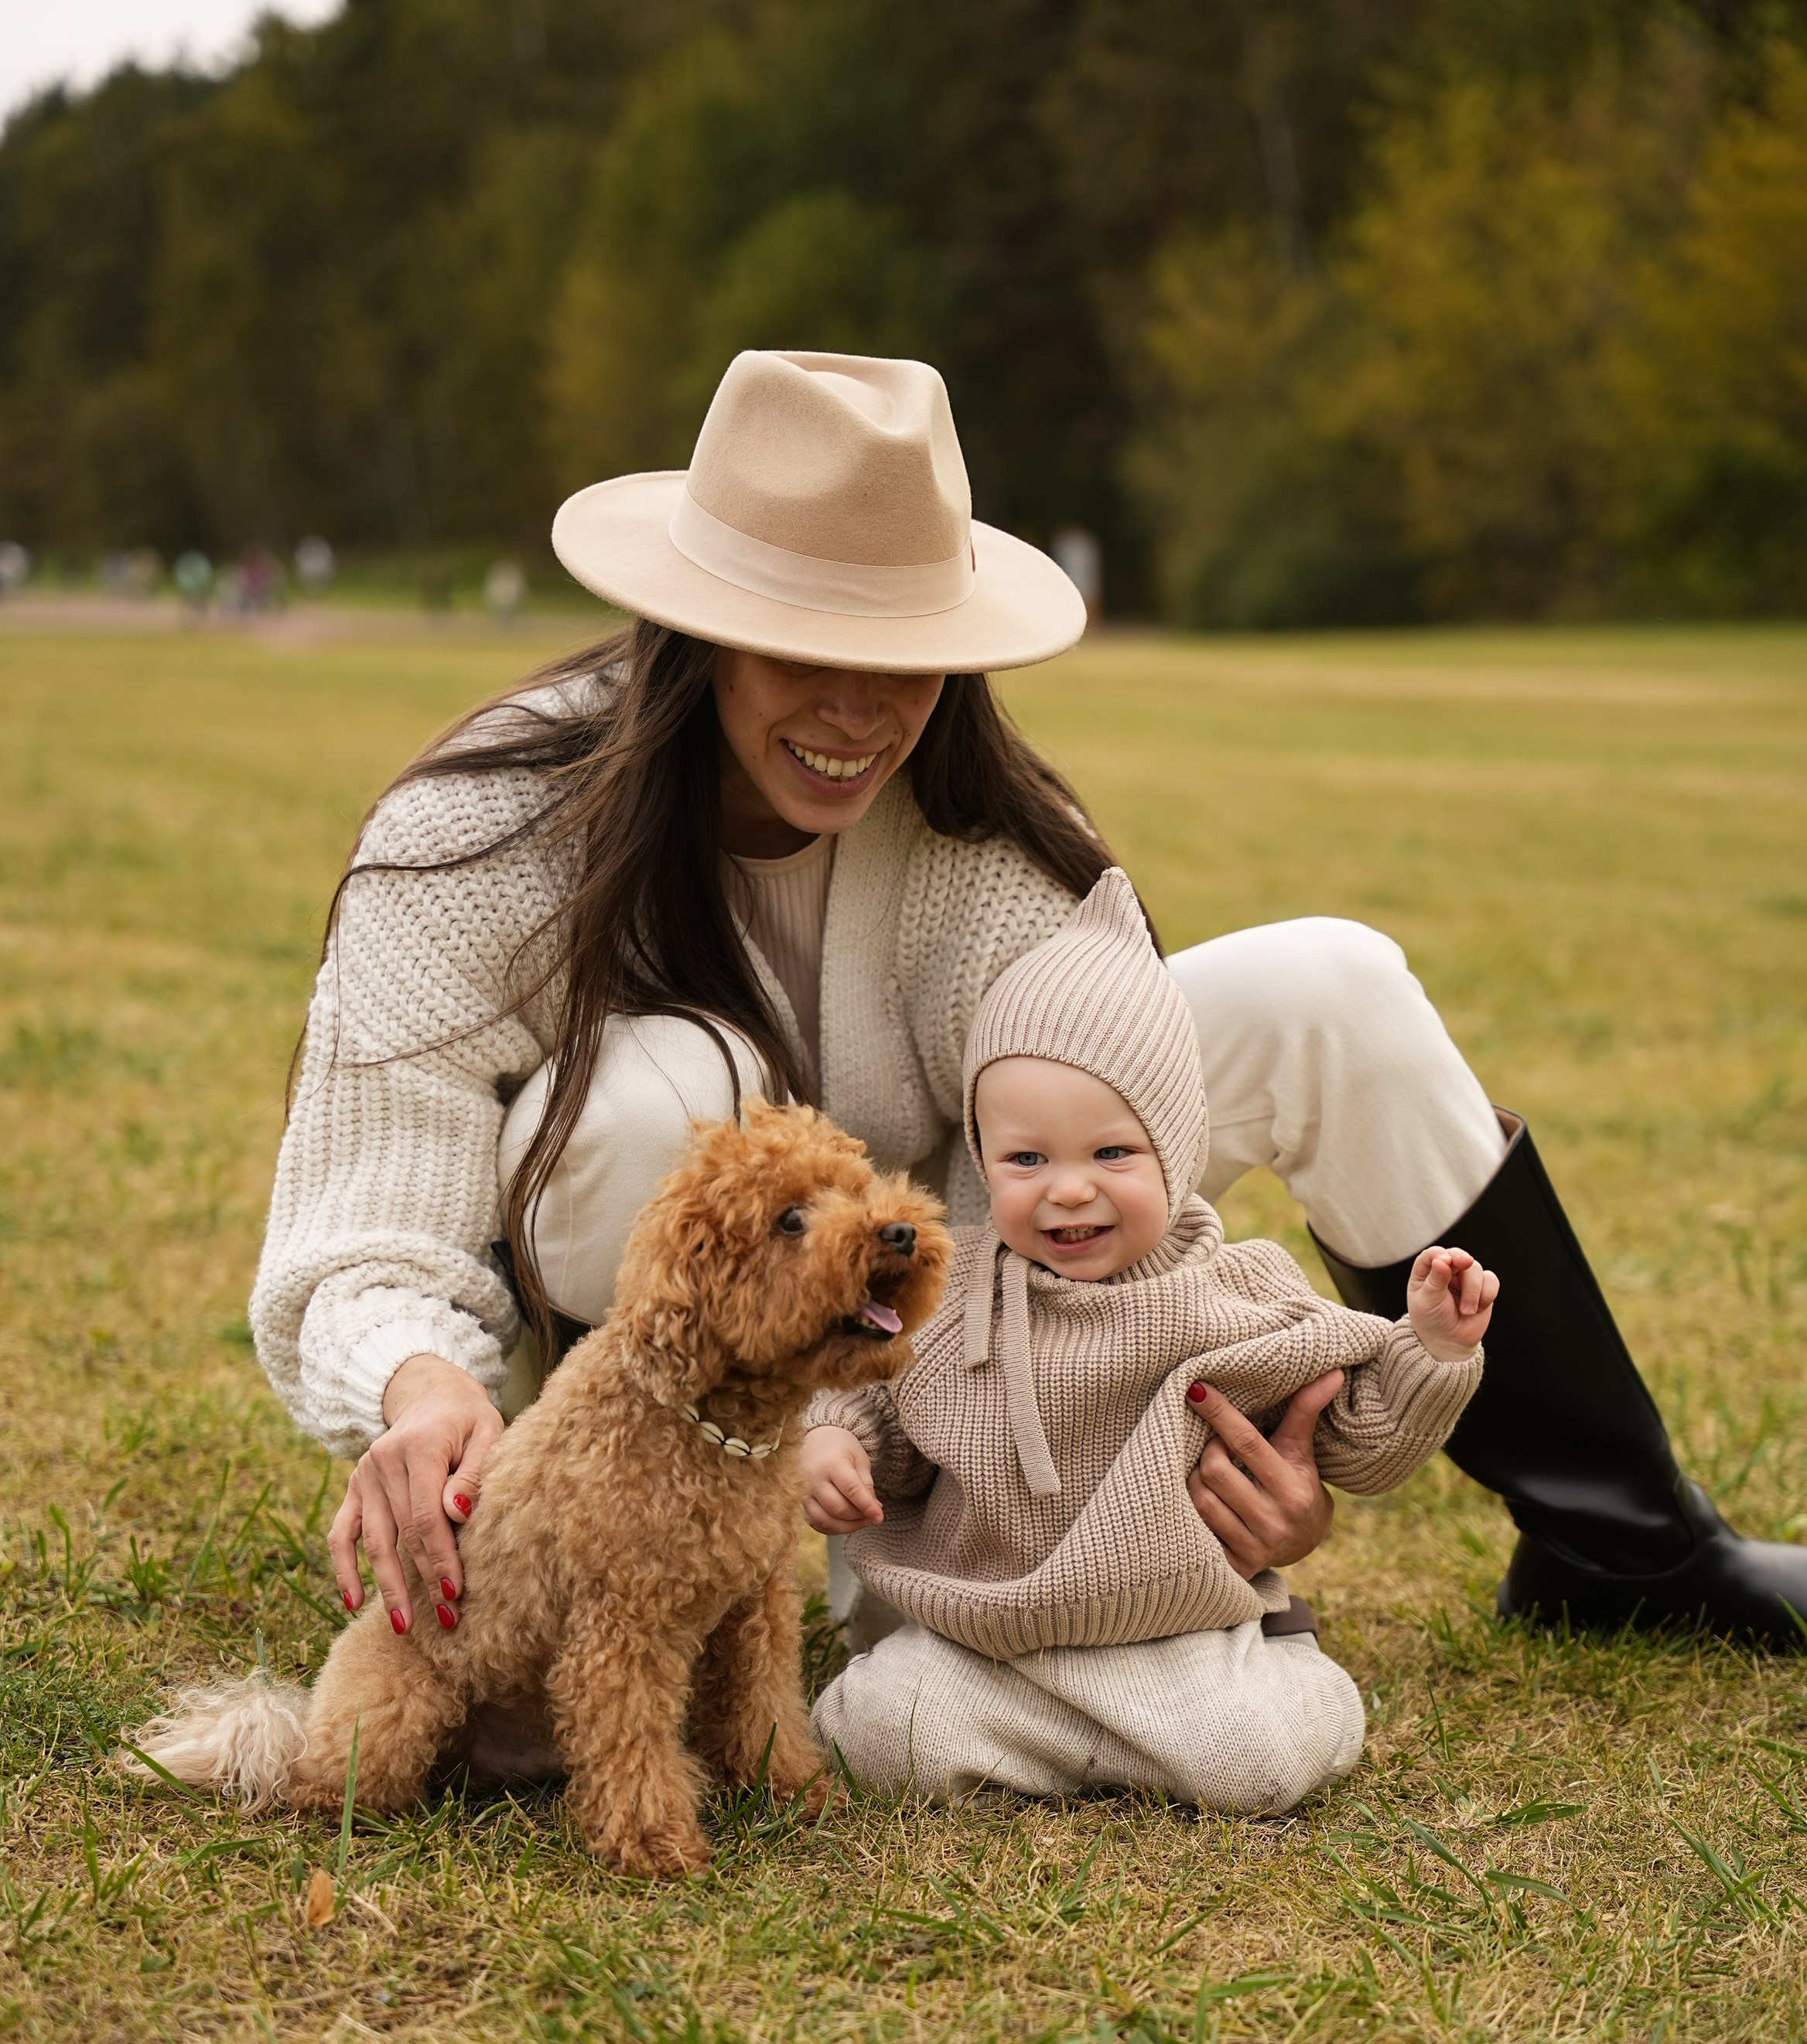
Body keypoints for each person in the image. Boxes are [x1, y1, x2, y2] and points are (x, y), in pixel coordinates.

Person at [254, 347, 1807, 1732]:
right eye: (804, 645)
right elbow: (355, 1240)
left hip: (944, 1367)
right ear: (692, 632)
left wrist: (1242, 1463)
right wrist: (419, 1391)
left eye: (905, 649)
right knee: (685, 1090)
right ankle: (621, 1609)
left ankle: (1623, 1545)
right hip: (617, 1416)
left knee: (1328, 979)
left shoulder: (993, 844)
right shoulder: (473, 833)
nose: (862, 712)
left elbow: (1097, 1178)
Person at [803, 873, 1496, 1808]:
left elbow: (1357, 1441)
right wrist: (833, 1442)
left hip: (1176, 1640)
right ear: (982, 1156)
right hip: (985, 1644)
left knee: (1256, 1755)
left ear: (1175, 1142)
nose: (1068, 1189)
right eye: (1025, 1158)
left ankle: (1231, 1701)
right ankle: (1070, 1748)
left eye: (1111, 1154)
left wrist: (1432, 1350)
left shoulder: (1236, 1289)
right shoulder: (950, 1287)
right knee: (866, 1735)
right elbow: (876, 1397)